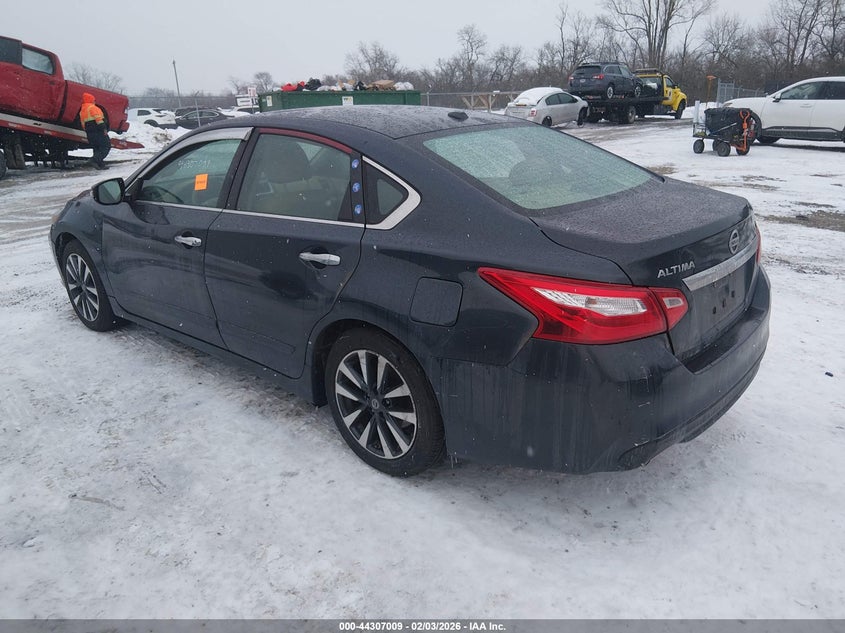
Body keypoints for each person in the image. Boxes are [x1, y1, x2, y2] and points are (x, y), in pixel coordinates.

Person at [79, 93, 110, 169]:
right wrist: (104, 129)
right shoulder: (93, 108)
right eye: (94, 100)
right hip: (98, 130)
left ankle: (100, 165)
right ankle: (94, 160)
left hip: (89, 132)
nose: (94, 101)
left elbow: (83, 124)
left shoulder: (82, 111)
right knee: (106, 146)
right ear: (91, 100)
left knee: (97, 148)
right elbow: (99, 120)